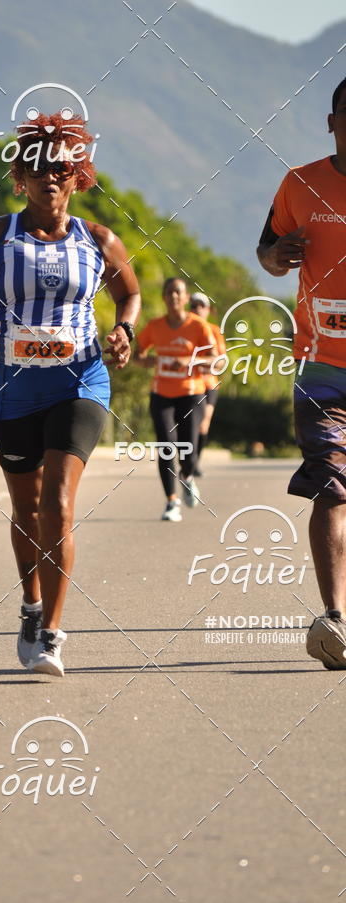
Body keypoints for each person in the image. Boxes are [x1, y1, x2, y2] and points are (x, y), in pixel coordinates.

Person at [0, 112, 140, 677]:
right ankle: (30, 605)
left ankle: (51, 633)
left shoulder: (98, 239)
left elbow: (131, 294)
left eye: (61, 167)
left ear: (78, 176)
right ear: (19, 178)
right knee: (26, 509)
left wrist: (124, 330)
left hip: (81, 381)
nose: (49, 176)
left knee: (57, 504)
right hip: (10, 390)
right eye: (36, 167)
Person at [257, 76, 346, 669]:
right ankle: (335, 619)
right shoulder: (301, 183)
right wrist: (277, 255)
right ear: (332, 120)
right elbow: (265, 252)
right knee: (332, 484)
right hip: (321, 365)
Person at [135, 277, 214, 522]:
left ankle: (188, 477)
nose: (174, 297)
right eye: (169, 293)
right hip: (161, 394)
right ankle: (172, 501)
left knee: (188, 451)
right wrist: (145, 360)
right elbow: (138, 354)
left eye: (178, 292)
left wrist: (189, 361)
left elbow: (214, 359)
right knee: (166, 447)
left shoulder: (199, 326)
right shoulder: (155, 326)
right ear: (164, 297)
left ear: (186, 297)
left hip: (191, 394)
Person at [189, 292, 226, 476]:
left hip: (209, 384)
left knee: (203, 425)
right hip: (187, 384)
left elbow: (221, 361)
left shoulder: (214, 330)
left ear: (208, 310)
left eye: (201, 306)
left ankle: (194, 462)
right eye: (193, 305)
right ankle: (188, 459)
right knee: (188, 425)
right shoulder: (184, 329)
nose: (197, 309)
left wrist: (202, 363)